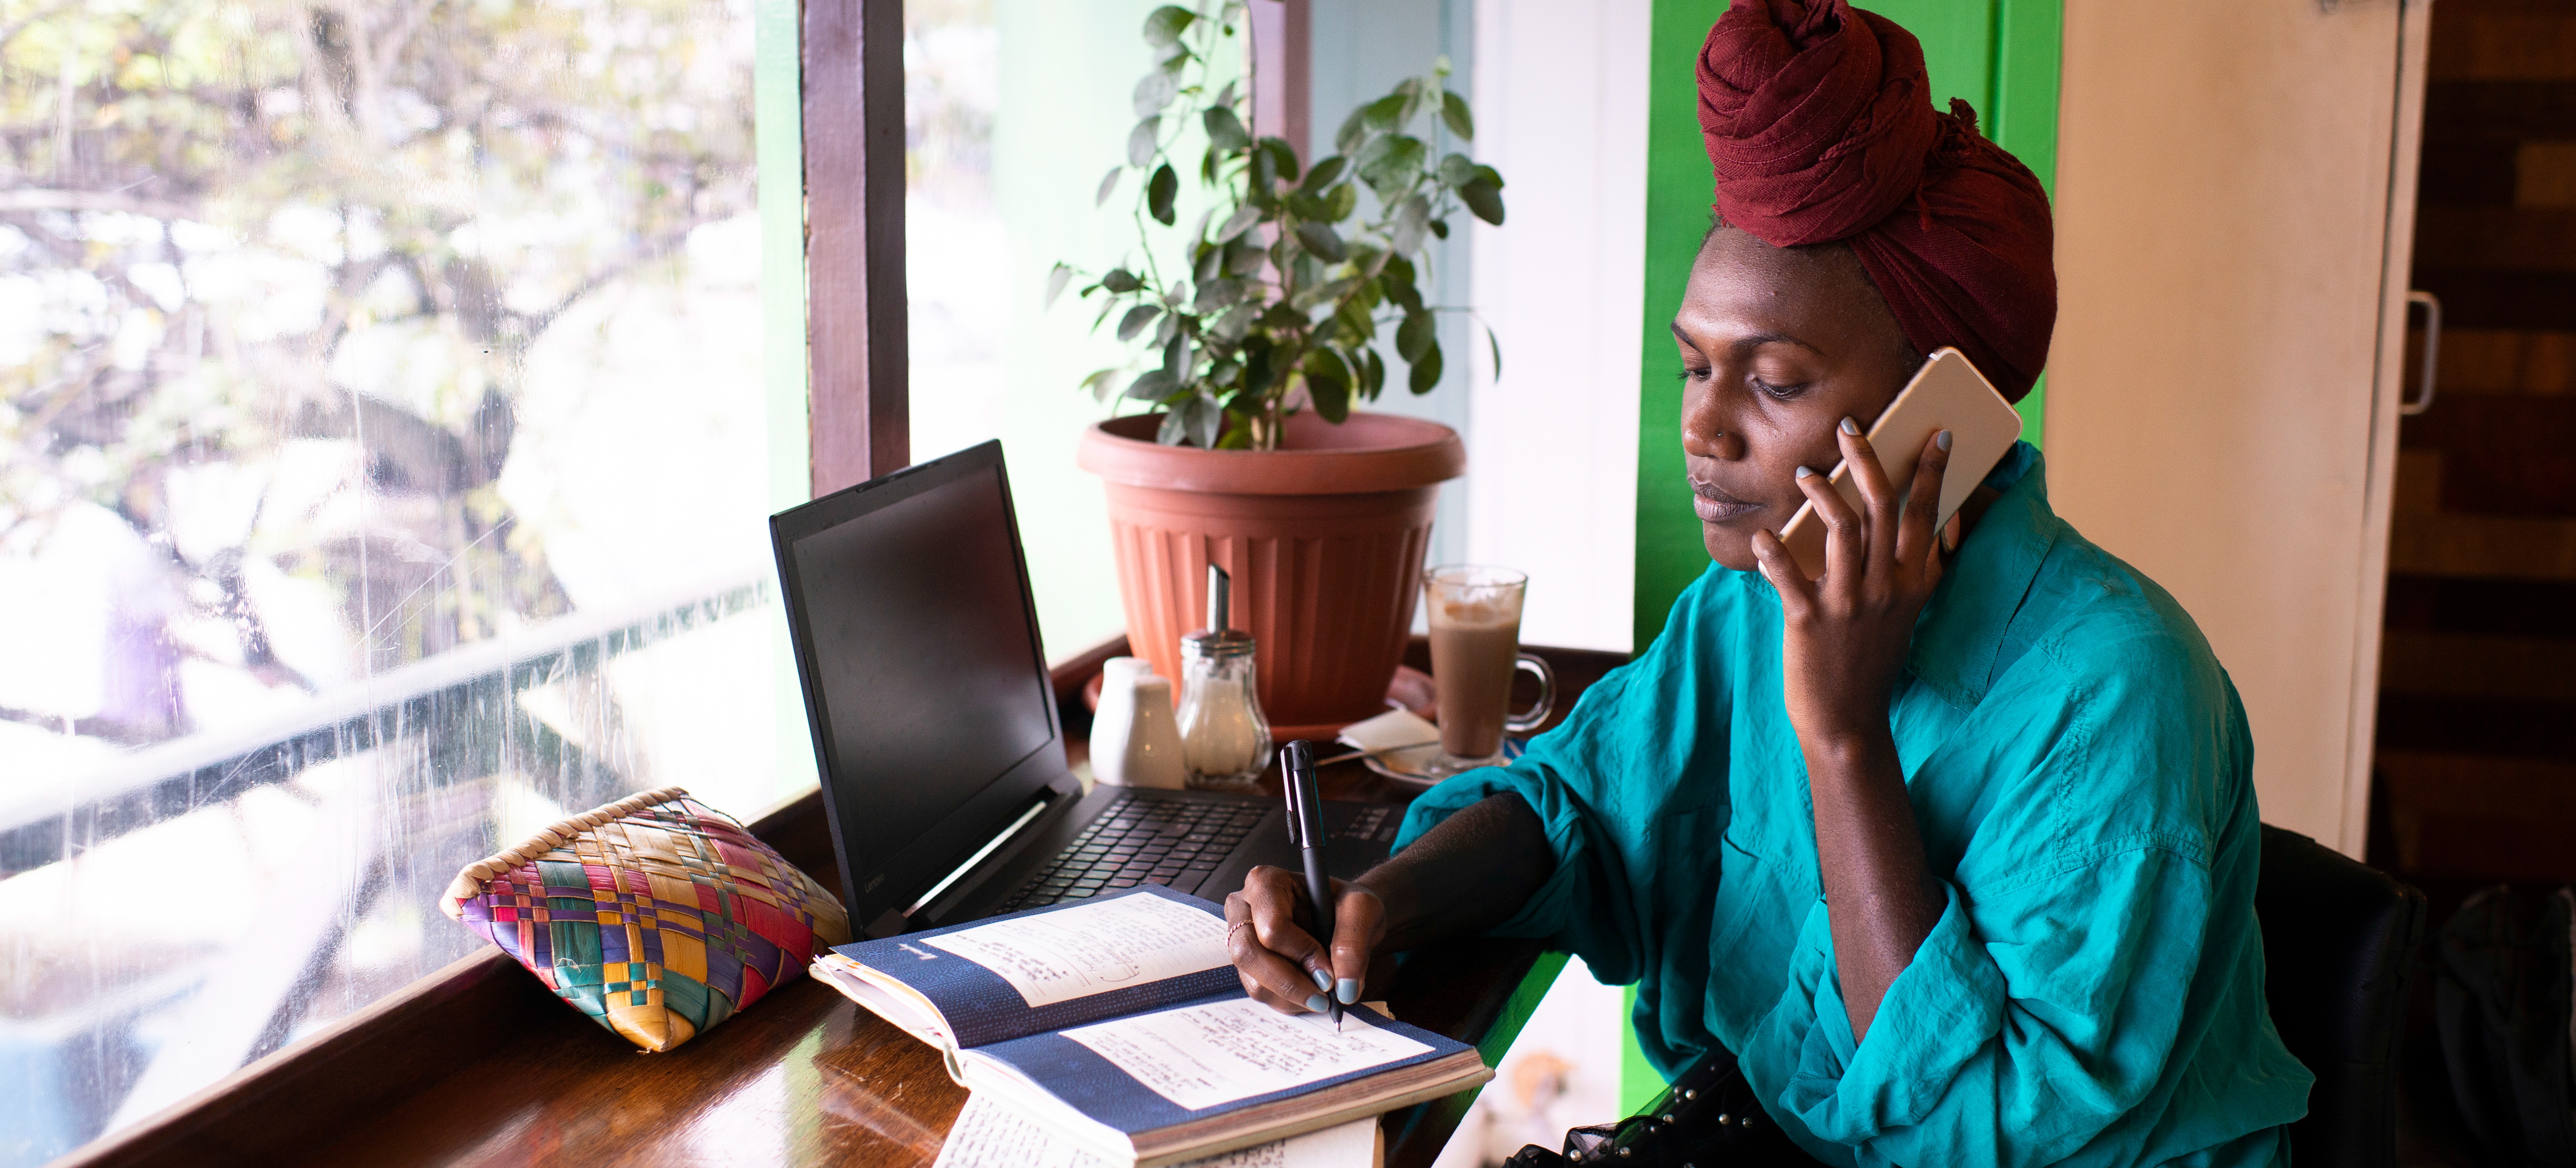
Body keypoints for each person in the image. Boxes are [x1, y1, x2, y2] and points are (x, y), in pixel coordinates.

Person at [1220, 1, 2316, 1165]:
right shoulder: (1751, 601)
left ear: (1936, 415)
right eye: (1694, 365)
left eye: (1775, 382)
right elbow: (1580, 806)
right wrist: (1380, 902)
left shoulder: (2118, 691)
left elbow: (1961, 1126)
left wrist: (1842, 736)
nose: (1703, 425)